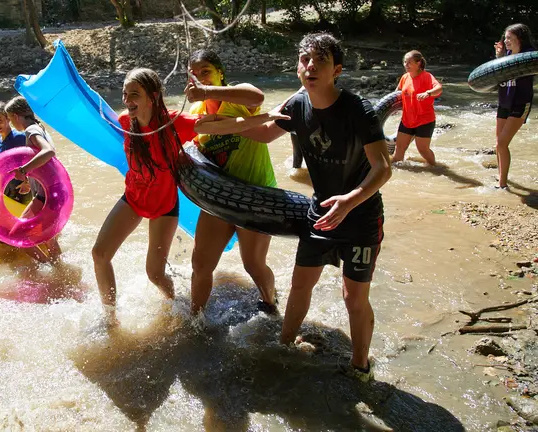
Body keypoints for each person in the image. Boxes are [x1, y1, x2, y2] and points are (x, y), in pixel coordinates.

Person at [194, 32, 392, 382]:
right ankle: (284, 345)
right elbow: (262, 132)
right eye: (305, 60)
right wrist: (206, 127)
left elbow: (383, 168)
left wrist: (349, 201)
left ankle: (360, 367)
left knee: (353, 298)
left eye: (320, 61)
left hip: (360, 215)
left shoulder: (358, 110)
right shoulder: (297, 105)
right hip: (319, 213)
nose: (310, 66)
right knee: (301, 284)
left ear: (337, 70)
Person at [91, 68, 199, 325]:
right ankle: (110, 319)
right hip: (134, 198)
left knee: (155, 274)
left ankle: (176, 306)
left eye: (134, 94)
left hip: (164, 205)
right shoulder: (124, 122)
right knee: (99, 254)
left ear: (152, 97)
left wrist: (263, 120)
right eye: (125, 94)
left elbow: (218, 124)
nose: (128, 100)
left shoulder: (175, 123)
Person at [184, 49, 278, 315]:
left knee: (253, 265)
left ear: (220, 73)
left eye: (206, 72)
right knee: (201, 264)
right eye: (195, 74)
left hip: (256, 195)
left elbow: (257, 96)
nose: (201, 78)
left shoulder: (239, 100)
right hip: (219, 199)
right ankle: (196, 319)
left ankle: (270, 304)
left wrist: (208, 91)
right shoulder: (196, 111)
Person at [5, 95, 63, 262]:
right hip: (52, 191)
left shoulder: (31, 130)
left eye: (10, 119)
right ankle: (58, 273)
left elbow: (48, 151)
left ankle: (47, 265)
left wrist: (24, 170)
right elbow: (45, 163)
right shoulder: (39, 127)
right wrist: (28, 181)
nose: (11, 124)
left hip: (46, 195)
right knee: (49, 239)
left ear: (16, 116)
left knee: (16, 235)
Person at [493, 23, 534, 189]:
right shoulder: (505, 55)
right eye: (506, 37)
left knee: (502, 143)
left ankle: (502, 186)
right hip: (504, 102)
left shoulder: (530, 57)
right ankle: (501, 177)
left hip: (520, 102)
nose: (506, 40)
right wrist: (499, 56)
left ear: (520, 39)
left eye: (510, 37)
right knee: (498, 144)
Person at [390, 50, 443, 165]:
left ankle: (434, 167)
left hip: (424, 120)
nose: (406, 65)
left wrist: (428, 93)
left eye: (409, 62)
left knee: (423, 150)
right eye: (405, 62)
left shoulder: (427, 76)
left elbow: (439, 88)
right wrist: (391, 108)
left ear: (418, 63)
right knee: (398, 153)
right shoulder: (405, 77)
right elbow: (397, 93)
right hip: (407, 120)